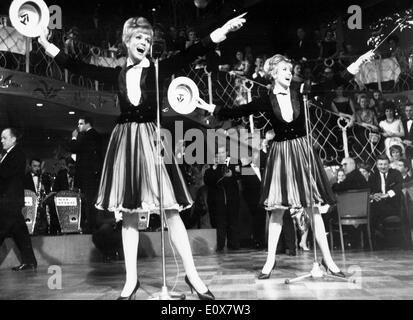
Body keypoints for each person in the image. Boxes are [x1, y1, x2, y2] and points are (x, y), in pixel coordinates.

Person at [39, 14, 245, 300]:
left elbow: (193, 51)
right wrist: (46, 45)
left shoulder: (160, 69)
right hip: (125, 141)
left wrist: (222, 30)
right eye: (139, 38)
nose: (144, 43)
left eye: (148, 39)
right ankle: (131, 281)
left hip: (152, 140)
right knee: (130, 215)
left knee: (171, 210)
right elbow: (77, 67)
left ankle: (192, 275)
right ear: (127, 41)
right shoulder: (117, 73)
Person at [212, 50, 375, 279]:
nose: (289, 73)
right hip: (281, 153)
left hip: (302, 151)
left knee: (313, 208)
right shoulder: (266, 99)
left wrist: (357, 63)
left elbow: (332, 82)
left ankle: (329, 262)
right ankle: (269, 262)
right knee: (277, 209)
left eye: (290, 69)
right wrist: (213, 109)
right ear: (273, 74)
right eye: (284, 70)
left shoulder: (300, 92)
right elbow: (239, 110)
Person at [0, 128, 37, 271]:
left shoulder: (17, 154)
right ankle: (30, 262)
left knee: (1, 229)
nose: (1, 140)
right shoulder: (8, 154)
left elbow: (6, 174)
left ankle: (30, 262)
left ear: (13, 139)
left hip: (9, 200)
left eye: (4, 138)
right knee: (20, 232)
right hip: (10, 199)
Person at [69, 117, 103, 233]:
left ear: (87, 124)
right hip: (95, 174)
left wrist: (74, 137)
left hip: (87, 174)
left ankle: (91, 225)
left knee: (89, 201)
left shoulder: (86, 136)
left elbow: (74, 148)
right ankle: (94, 224)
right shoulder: (97, 136)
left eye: (81, 124)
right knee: (92, 200)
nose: (78, 126)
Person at [204, 145, 241, 252]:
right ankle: (220, 246)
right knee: (221, 223)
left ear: (227, 153)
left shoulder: (235, 162)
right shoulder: (214, 166)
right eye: (218, 153)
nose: (220, 155)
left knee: (233, 221)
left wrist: (232, 174)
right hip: (219, 199)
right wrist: (214, 168)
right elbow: (208, 181)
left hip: (232, 198)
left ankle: (233, 244)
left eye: (222, 153)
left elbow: (240, 175)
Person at [368, 155, 404, 249]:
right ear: (376, 165)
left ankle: (390, 243)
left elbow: (399, 187)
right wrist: (373, 196)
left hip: (392, 204)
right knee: (371, 213)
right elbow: (369, 191)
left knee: (381, 213)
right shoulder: (373, 176)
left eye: (385, 164)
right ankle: (375, 245)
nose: (383, 167)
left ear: (389, 165)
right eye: (380, 164)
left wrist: (387, 194)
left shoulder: (396, 174)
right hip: (377, 204)